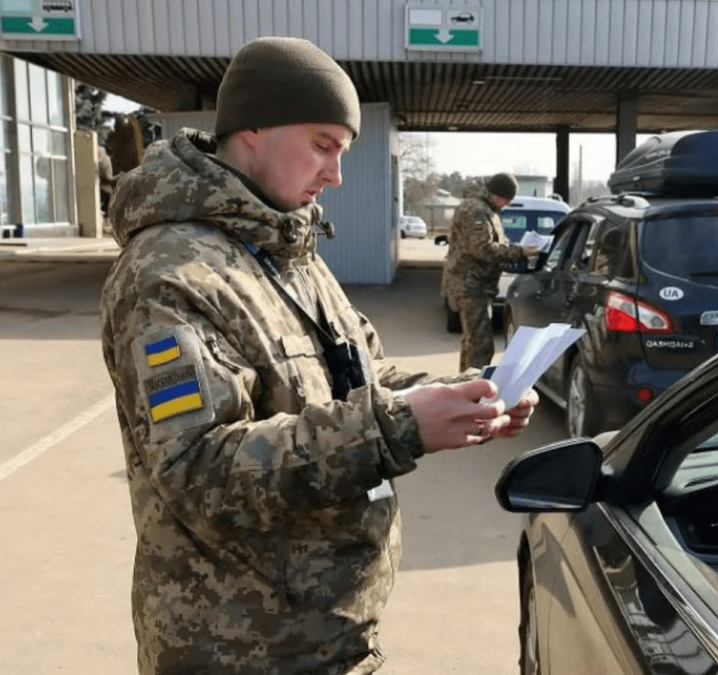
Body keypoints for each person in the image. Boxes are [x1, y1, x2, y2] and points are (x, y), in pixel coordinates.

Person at [99, 36, 538, 674]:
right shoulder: (170, 272)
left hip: (323, 632)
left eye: (344, 151)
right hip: (240, 647)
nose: (335, 174)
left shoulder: (283, 249)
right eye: (323, 145)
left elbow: (361, 374)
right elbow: (199, 471)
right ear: (250, 129)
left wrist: (466, 393)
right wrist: (400, 426)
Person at [441, 172, 540, 370]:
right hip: (470, 286)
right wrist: (518, 251)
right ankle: (474, 391)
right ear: (498, 194)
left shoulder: (487, 209)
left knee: (472, 343)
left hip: (478, 286)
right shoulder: (475, 210)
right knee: (481, 346)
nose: (507, 205)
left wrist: (514, 249)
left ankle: (464, 387)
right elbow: (482, 248)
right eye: (507, 200)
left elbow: (493, 243)